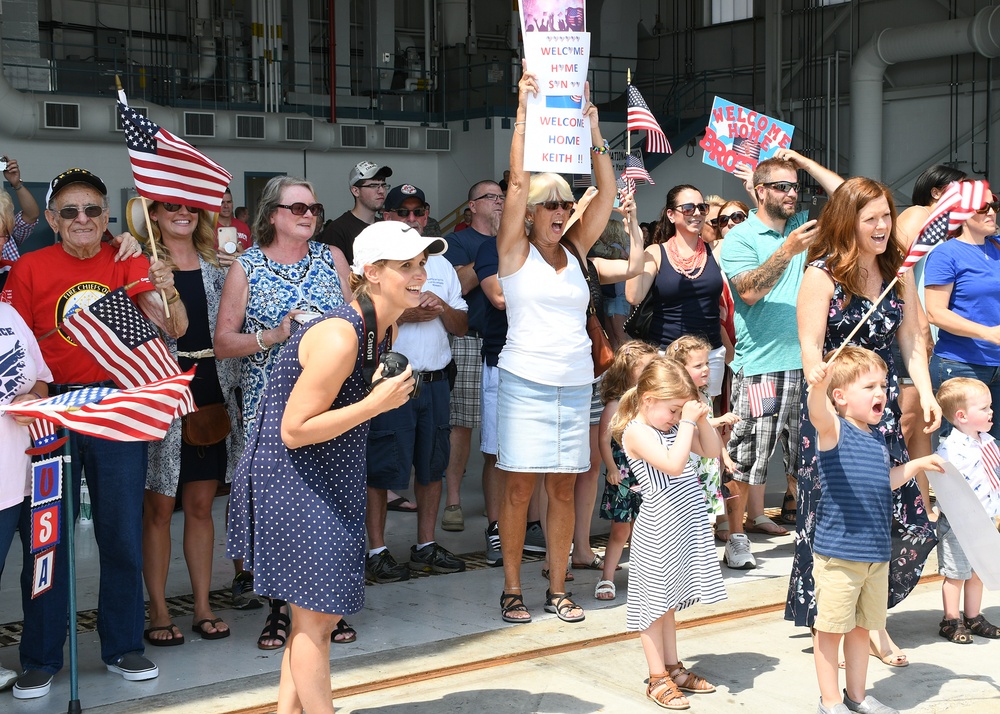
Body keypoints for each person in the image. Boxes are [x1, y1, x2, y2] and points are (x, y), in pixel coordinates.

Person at [226, 220, 439, 714]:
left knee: (310, 621)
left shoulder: (377, 330)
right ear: (372, 271)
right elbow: (293, 429)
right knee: (317, 622)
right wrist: (376, 404)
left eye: (421, 264)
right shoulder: (343, 334)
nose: (419, 275)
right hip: (295, 482)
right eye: (406, 265)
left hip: (324, 479)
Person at [5, 167, 185, 699]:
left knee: (122, 530)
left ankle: (124, 644)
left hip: (116, 402)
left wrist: (165, 289)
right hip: (51, 408)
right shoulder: (30, 269)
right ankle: (40, 656)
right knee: (46, 537)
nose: (82, 219)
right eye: (69, 211)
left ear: (106, 217)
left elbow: (172, 330)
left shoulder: (127, 257)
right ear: (55, 222)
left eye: (92, 210)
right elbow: (12, 343)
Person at [788, 177, 941, 670]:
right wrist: (822, 388)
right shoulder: (822, 274)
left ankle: (867, 615)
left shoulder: (900, 272)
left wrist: (927, 388)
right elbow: (811, 348)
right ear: (847, 220)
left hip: (884, 408)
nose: (881, 227)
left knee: (910, 522)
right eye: (870, 217)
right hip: (835, 415)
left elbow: (914, 339)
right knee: (843, 520)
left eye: (886, 217)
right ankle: (852, 626)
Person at [495, 64, 614, 625]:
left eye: (567, 205)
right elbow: (517, 184)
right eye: (552, 205)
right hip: (525, 382)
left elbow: (608, 194)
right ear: (532, 213)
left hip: (575, 384)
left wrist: (594, 131)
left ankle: (559, 587)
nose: (561, 213)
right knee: (520, 491)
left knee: (564, 492)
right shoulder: (513, 254)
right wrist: (522, 113)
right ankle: (513, 588)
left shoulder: (576, 253)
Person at [215, 175, 353, 649]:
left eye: (313, 207)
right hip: (270, 408)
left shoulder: (332, 258)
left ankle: (328, 608)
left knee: (330, 507)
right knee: (281, 515)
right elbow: (222, 343)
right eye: (297, 208)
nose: (308, 215)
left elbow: (355, 321)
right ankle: (280, 611)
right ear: (271, 215)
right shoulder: (246, 268)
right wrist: (272, 336)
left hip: (333, 406)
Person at [718, 149, 843, 569]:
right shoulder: (740, 237)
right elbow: (749, 291)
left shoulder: (803, 227)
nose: (793, 193)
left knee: (809, 456)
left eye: (795, 186)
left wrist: (807, 164)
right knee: (746, 454)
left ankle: (812, 533)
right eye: (782, 186)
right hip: (762, 371)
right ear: (759, 192)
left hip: (811, 367)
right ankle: (736, 536)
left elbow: (848, 196)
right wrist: (787, 251)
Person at [126, 197, 242, 646]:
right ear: (151, 214)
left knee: (200, 506)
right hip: (160, 397)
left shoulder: (222, 266)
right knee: (156, 510)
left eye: (190, 206)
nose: (182, 212)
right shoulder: (138, 267)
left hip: (213, 393)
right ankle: (157, 609)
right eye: (169, 205)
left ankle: (202, 606)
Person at [804, 347, 944, 714]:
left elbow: (885, 482)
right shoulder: (835, 429)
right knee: (830, 630)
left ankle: (857, 696)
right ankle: (830, 701)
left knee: (862, 630)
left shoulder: (876, 437)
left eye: (883, 385)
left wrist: (917, 464)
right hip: (840, 554)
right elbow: (817, 412)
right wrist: (816, 386)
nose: (881, 392)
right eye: (870, 386)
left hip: (875, 554)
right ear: (841, 396)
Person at [364, 183, 468, 582]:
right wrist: (404, 314)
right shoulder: (377, 263)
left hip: (437, 379)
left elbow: (462, 323)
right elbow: (364, 319)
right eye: (402, 212)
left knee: (432, 467)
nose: (412, 219)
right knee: (382, 470)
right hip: (393, 380)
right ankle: (377, 550)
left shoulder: (438, 263)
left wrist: (439, 307)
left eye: (418, 211)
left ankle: (425, 545)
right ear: (386, 215)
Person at [612, 357, 726, 710]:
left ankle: (673, 667)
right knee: (651, 605)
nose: (676, 417)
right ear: (648, 400)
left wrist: (700, 417)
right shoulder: (636, 431)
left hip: (685, 526)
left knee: (668, 605)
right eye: (672, 409)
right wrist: (688, 422)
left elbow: (711, 451)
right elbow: (675, 465)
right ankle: (656, 675)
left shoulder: (675, 427)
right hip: (659, 529)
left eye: (679, 411)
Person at [893, 165, 967, 518]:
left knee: (924, 429)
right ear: (937, 192)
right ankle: (892, 508)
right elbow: (898, 264)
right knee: (906, 426)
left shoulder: (955, 232)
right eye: (960, 189)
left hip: (939, 342)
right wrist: (920, 322)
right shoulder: (918, 215)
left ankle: (920, 512)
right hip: (912, 338)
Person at [441, 180, 504, 535]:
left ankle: (498, 509)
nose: (498, 202)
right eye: (490, 198)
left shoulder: (513, 240)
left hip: (504, 343)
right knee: (461, 425)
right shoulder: (458, 242)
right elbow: (456, 287)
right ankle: (453, 500)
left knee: (499, 432)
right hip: (468, 339)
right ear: (472, 206)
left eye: (501, 197)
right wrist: (489, 254)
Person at [625, 185, 726, 398]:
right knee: (668, 421)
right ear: (671, 215)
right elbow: (634, 296)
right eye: (688, 208)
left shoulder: (717, 249)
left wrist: (754, 191)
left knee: (706, 420)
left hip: (710, 356)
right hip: (667, 355)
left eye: (701, 207)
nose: (697, 213)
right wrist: (634, 232)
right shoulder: (656, 252)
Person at [0, 302, 52, 692]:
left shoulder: (8, 314)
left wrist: (31, 396)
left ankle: (42, 660)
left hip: (35, 469)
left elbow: (42, 379)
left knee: (43, 572)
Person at [925, 187, 1000, 439]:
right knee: (962, 452)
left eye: (994, 206)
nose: (991, 212)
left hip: (996, 364)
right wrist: (987, 333)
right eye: (982, 207)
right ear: (961, 213)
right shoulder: (946, 254)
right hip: (961, 366)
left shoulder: (997, 247)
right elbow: (935, 313)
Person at [933, 377, 1000, 644]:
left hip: (984, 519)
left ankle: (973, 616)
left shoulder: (989, 442)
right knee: (956, 573)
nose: (991, 412)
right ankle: (951, 619)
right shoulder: (950, 449)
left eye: (990, 407)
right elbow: (945, 484)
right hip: (958, 522)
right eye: (984, 408)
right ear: (961, 416)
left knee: (978, 570)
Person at [595, 340, 658, 600]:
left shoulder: (651, 402)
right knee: (621, 529)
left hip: (648, 474)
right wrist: (610, 467)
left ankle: (647, 575)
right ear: (628, 370)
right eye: (646, 368)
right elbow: (603, 439)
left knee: (648, 528)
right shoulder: (616, 404)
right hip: (622, 476)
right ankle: (607, 577)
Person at [665, 334, 740, 523]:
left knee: (706, 518)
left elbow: (709, 429)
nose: (706, 369)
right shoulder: (680, 398)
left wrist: (724, 455)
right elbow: (693, 424)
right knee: (689, 516)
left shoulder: (705, 392)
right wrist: (721, 420)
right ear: (680, 370)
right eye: (698, 366)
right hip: (690, 464)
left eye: (706, 363)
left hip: (707, 464)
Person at [315, 160, 392, 265]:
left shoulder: (385, 227)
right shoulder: (337, 230)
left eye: (383, 185)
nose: (381, 191)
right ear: (355, 191)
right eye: (373, 186)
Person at [1, 156, 41, 264]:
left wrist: (16, 183)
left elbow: (31, 215)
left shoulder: (7, 230)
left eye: (2, 237)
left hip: (12, 280)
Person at [215, 187, 252, 256]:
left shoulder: (244, 227)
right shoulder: (208, 228)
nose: (226, 206)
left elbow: (250, 254)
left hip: (239, 265)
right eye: (222, 202)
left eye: (229, 202)